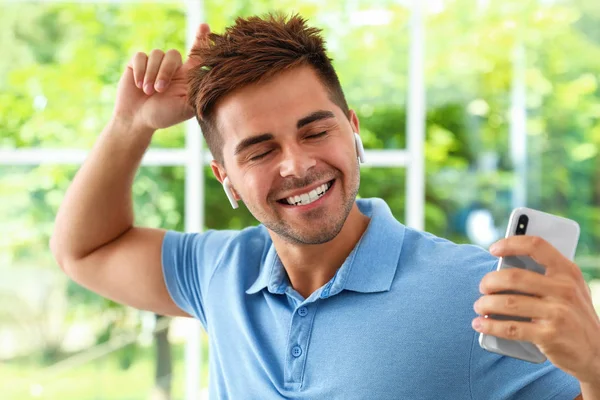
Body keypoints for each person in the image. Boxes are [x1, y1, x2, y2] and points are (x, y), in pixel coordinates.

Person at [50, 13, 600, 399]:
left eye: (315, 131)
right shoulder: (218, 273)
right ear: (228, 182)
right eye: (260, 150)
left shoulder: (476, 292)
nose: (297, 164)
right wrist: (129, 126)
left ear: (353, 130)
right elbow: (84, 250)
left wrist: (594, 367)